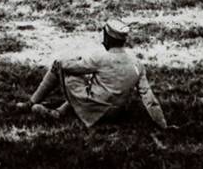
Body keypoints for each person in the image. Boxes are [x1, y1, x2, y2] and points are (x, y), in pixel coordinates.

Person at [18, 19, 167, 130]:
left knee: (60, 67)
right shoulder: (137, 63)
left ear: (107, 37)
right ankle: (59, 111)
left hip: (95, 111)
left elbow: (68, 66)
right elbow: (149, 98)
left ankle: (32, 103)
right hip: (116, 114)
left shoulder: (100, 57)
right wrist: (163, 125)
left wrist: (66, 59)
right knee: (92, 81)